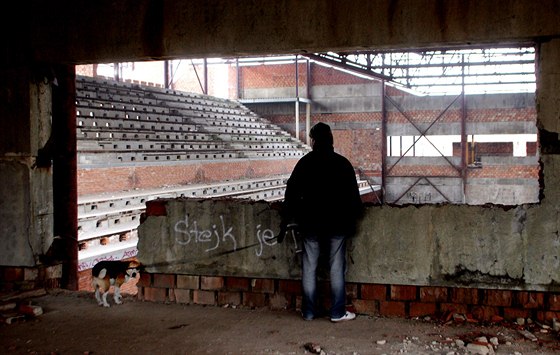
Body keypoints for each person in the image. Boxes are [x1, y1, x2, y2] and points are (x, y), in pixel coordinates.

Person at [282, 122, 363, 322]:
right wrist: (354, 218)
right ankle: (337, 312)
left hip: (310, 224)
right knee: (336, 266)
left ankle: (308, 312)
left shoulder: (304, 163)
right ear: (331, 140)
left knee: (309, 266)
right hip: (337, 224)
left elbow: (290, 193)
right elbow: (354, 199)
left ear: (313, 140)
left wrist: (287, 219)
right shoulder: (342, 164)